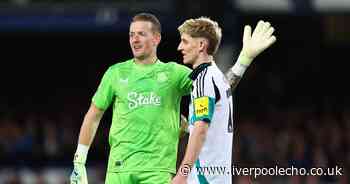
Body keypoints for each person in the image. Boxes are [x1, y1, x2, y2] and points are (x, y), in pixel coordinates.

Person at [70, 13, 275, 184]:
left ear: (156, 38)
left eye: (141, 34)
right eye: (131, 34)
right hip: (118, 170)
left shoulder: (175, 74)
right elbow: (93, 115)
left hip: (158, 172)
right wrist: (79, 161)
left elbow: (219, 89)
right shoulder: (115, 73)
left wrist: (242, 61)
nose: (134, 39)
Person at [171, 17, 276, 184]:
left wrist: (183, 174)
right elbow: (223, 89)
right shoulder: (215, 76)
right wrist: (243, 60)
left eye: (185, 41)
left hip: (203, 178)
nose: (180, 47)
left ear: (201, 45)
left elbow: (200, 130)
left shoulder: (202, 79)